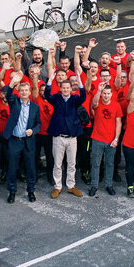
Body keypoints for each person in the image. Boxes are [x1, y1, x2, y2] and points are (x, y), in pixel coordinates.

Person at [43, 43, 88, 199]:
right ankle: (57, 186)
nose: (66, 90)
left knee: (72, 164)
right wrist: (50, 80)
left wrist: (80, 81)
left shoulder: (76, 99)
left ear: (71, 88)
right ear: (61, 88)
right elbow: (47, 95)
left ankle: (71, 185)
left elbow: (83, 96)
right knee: (57, 164)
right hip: (58, 137)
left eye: (68, 88)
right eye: (63, 88)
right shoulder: (56, 98)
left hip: (72, 138)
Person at [1, 78, 42, 203]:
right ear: (18, 92)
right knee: (12, 168)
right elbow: (8, 94)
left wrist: (33, 131)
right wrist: (12, 84)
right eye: (21, 90)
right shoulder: (14, 103)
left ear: (30, 92)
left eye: (26, 90)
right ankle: (12, 192)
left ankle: (31, 191)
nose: (24, 92)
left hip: (28, 141)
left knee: (30, 168)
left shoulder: (35, 107)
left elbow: (38, 124)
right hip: (15, 141)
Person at [87, 83, 122, 197]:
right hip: (97, 139)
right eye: (104, 94)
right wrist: (98, 90)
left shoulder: (116, 105)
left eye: (108, 94)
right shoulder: (98, 103)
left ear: (111, 94)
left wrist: (116, 139)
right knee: (96, 164)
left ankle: (108, 185)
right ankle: (94, 185)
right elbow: (94, 103)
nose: (106, 96)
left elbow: (118, 123)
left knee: (109, 164)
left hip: (110, 140)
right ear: (101, 94)